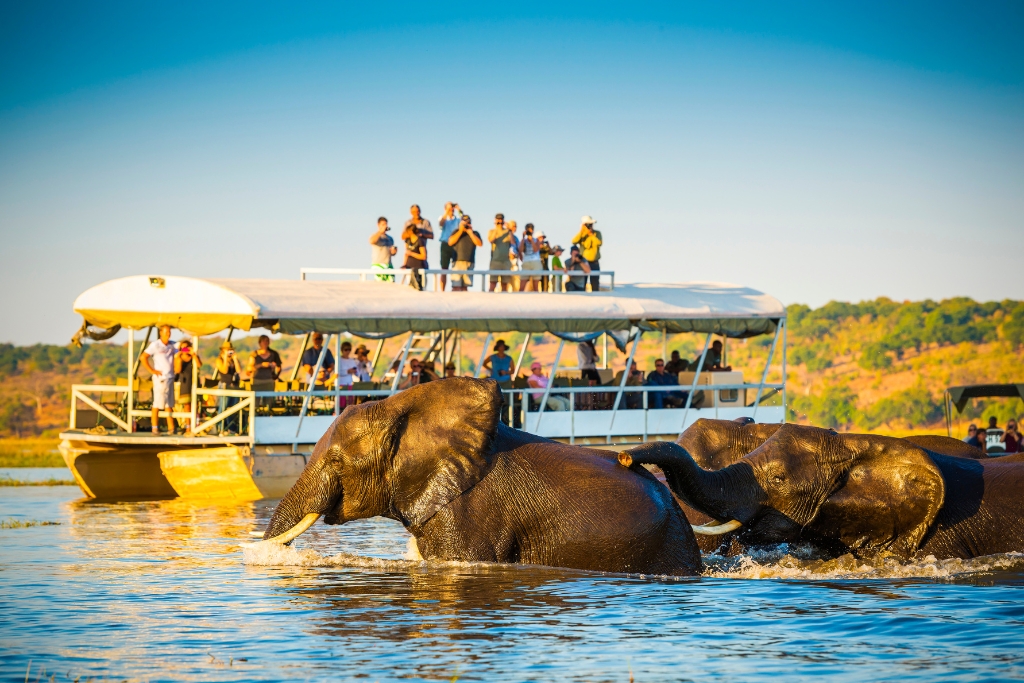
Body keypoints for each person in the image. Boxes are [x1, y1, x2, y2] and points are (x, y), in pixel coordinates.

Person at [141, 325, 177, 434]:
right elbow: (143, 357)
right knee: (157, 403)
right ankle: (155, 427)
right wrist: (152, 370)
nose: (168, 334)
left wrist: (188, 348)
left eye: (169, 332)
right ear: (161, 333)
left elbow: (182, 349)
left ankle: (171, 427)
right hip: (160, 379)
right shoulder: (155, 345)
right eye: (166, 332)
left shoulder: (172, 345)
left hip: (170, 378)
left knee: (169, 404)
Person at [171, 339, 202, 432]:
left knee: (195, 405)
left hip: (194, 382)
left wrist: (193, 354)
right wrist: (178, 357)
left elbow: (199, 365)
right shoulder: (178, 358)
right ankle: (188, 426)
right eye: (182, 348)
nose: (185, 349)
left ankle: (195, 425)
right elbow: (178, 370)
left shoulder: (193, 357)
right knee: (187, 406)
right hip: (185, 383)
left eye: (186, 347)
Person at [213, 341, 243, 434]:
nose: (229, 352)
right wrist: (225, 358)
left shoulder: (233, 360)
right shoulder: (219, 360)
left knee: (232, 408)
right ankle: (219, 427)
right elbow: (224, 370)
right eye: (227, 350)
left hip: (234, 386)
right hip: (224, 386)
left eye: (230, 350)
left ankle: (231, 428)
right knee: (223, 407)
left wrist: (235, 359)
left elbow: (239, 370)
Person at [447, 214, 482, 291]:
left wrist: (470, 233)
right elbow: (450, 242)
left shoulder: (475, 233)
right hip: (457, 262)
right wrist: (460, 231)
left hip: (469, 262)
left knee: (465, 287)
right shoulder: (456, 232)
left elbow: (479, 244)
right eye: (464, 223)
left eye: (468, 222)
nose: (466, 224)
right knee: (456, 286)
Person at [571, 215, 603, 291]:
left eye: (591, 224)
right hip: (583, 263)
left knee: (595, 282)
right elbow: (573, 241)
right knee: (582, 282)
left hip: (594, 262)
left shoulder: (597, 233)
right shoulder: (582, 235)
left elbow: (599, 243)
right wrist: (581, 232)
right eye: (587, 225)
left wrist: (591, 235)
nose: (589, 226)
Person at [436, 202, 463, 290]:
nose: (451, 210)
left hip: (456, 245)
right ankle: (442, 289)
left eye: (452, 208)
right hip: (445, 244)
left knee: (456, 268)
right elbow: (441, 224)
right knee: (444, 268)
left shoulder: (457, 219)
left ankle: (455, 287)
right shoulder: (443, 218)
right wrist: (447, 212)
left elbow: (464, 220)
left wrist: (459, 209)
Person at [488, 214, 515, 291]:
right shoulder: (492, 231)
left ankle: (504, 301)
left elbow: (513, 242)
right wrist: (497, 228)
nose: (500, 221)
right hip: (495, 261)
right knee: (493, 283)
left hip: (506, 261)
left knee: (505, 284)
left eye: (501, 219)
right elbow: (491, 240)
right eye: (498, 219)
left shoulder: (508, 232)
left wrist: (509, 230)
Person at [402, 219, 429, 291]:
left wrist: (412, 253)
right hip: (409, 267)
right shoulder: (407, 241)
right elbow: (406, 254)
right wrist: (404, 264)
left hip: (419, 268)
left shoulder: (420, 241)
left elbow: (423, 256)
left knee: (420, 289)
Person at [369, 217, 397, 282]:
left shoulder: (390, 238)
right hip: (378, 264)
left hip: (388, 265)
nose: (385, 226)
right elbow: (372, 241)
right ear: (378, 225)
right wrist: (380, 232)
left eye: (386, 224)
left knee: (391, 284)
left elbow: (392, 253)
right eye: (383, 224)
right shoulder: (375, 235)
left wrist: (394, 252)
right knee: (379, 286)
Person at [518, 223, 544, 291]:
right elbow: (520, 250)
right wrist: (523, 238)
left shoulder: (536, 240)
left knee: (536, 287)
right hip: (526, 262)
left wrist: (531, 240)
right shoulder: (524, 241)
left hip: (535, 262)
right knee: (522, 286)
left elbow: (536, 250)